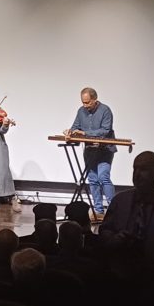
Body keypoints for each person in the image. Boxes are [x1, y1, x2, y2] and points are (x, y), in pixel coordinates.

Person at [99, 151, 154, 258]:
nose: (137, 174)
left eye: (143, 169)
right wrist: (114, 239)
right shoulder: (119, 201)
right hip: (119, 261)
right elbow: (105, 230)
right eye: (135, 169)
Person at [64, 87, 116, 215]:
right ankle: (98, 211)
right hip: (89, 150)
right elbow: (75, 127)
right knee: (93, 179)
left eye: (87, 102)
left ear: (95, 99)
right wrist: (70, 132)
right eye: (83, 102)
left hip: (104, 150)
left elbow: (105, 130)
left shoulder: (105, 110)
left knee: (103, 177)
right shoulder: (81, 111)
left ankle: (114, 211)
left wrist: (85, 133)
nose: (85, 105)